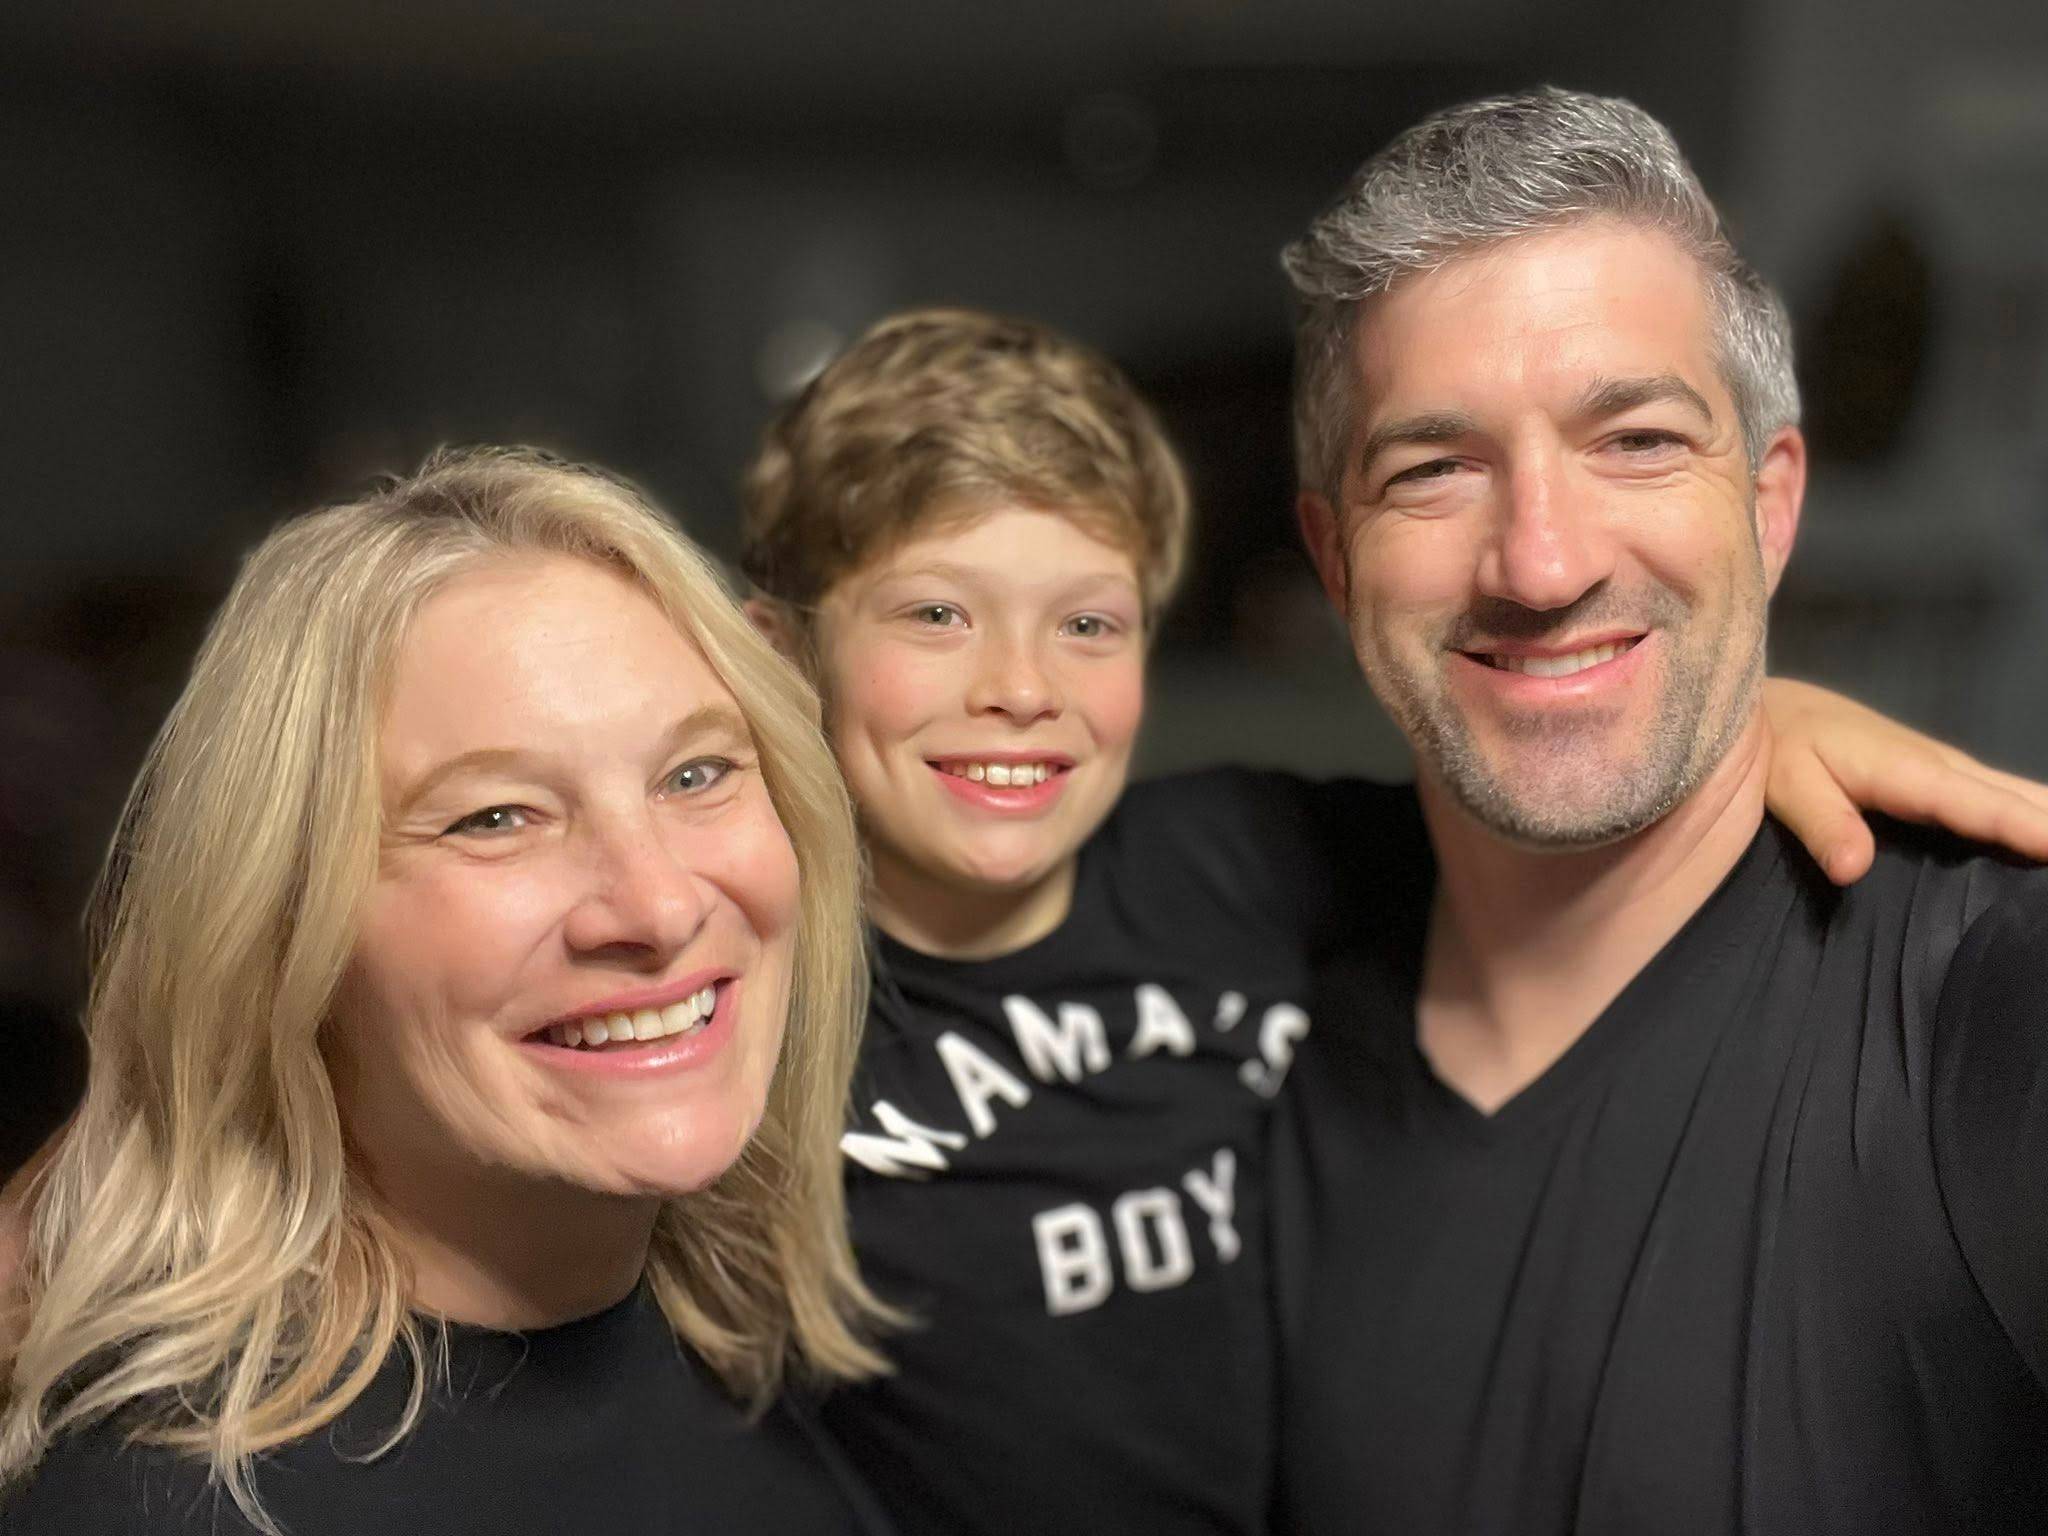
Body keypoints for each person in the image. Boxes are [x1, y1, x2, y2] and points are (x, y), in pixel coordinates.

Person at [738, 310, 2048, 1534]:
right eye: (935, 614)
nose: (1020, 688)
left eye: (1088, 621)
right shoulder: (751, 1023)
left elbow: (1569, 809)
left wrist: (1767, 723)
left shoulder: (1243, 856)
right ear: (781, 652)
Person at [1272, 87, 2048, 1534]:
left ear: (1768, 506)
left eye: (1633, 439)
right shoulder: (1247, 1027)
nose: (1543, 561)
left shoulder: (1988, 1001)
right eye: (1435, 467)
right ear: (1333, 556)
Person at [0, 448, 896, 1535]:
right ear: (285, 936)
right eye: (494, 818)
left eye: (695, 774)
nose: (658, 908)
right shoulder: (167, 1507)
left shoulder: (799, 1357)